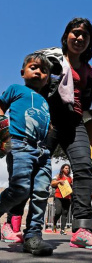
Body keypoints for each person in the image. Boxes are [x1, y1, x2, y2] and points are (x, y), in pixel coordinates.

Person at [42, 18, 92, 250]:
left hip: (75, 121)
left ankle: (82, 229)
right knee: (35, 169)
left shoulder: (88, 68)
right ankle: (13, 224)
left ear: (90, 41)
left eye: (85, 35)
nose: (79, 38)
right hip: (50, 118)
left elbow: (87, 97)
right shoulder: (51, 58)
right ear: (67, 35)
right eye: (75, 33)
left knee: (83, 169)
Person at [0, 53, 53, 255]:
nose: (39, 71)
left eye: (44, 70)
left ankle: (33, 237)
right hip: (20, 146)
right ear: (23, 72)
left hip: (43, 152)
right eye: (34, 67)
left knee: (41, 193)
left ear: (47, 78)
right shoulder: (16, 89)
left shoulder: (45, 101)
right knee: (20, 190)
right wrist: (2, 129)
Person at [51, 163, 73, 235]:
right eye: (66, 168)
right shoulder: (58, 176)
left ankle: (62, 229)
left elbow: (72, 186)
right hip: (58, 197)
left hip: (67, 197)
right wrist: (59, 181)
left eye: (68, 168)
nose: (67, 169)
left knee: (65, 213)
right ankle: (54, 223)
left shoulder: (70, 178)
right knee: (58, 212)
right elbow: (52, 183)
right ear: (62, 169)